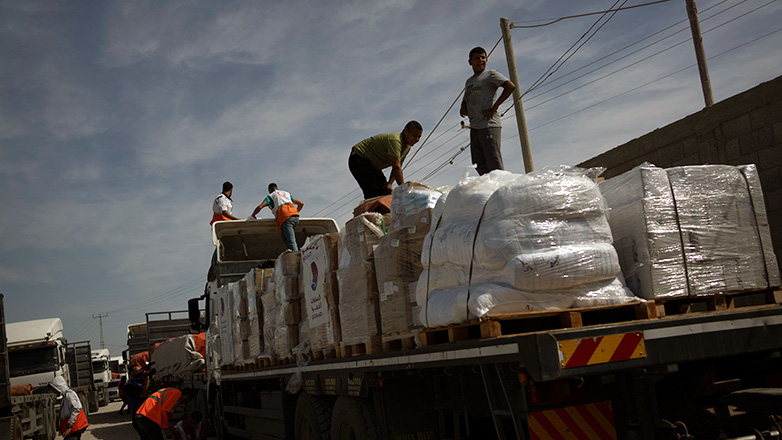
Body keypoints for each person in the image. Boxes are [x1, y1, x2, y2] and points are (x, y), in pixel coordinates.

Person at [459, 47, 516, 175]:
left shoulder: (491, 74)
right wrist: (463, 107)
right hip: (475, 125)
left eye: (483, 58)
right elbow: (466, 98)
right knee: (479, 162)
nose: (480, 60)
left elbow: (510, 86)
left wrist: (494, 107)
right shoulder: (469, 81)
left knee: (493, 161)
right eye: (477, 58)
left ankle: (499, 188)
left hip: (489, 123)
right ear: (470, 62)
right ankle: (488, 191)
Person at [349, 121, 423, 199]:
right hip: (359, 157)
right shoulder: (395, 141)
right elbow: (397, 167)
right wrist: (404, 190)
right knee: (373, 193)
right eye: (414, 136)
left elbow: (398, 166)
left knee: (385, 191)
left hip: (372, 165)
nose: (417, 139)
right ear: (406, 131)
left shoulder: (407, 146)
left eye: (419, 137)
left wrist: (390, 184)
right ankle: (370, 210)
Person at [251, 183, 304, 251]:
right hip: (295, 217)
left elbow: (260, 207)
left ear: (270, 189)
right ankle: (291, 254)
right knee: (285, 237)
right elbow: (301, 204)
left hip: (286, 219)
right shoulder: (286, 194)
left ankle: (296, 258)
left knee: (291, 242)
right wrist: (294, 212)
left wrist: (253, 215)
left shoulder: (271, 196)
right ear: (276, 187)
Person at [124, 365, 152, 436]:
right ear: (131, 373)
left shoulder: (141, 382)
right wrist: (147, 382)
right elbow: (143, 395)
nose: (140, 373)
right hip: (140, 417)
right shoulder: (129, 386)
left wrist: (150, 381)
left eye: (140, 371)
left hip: (149, 414)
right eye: (137, 372)